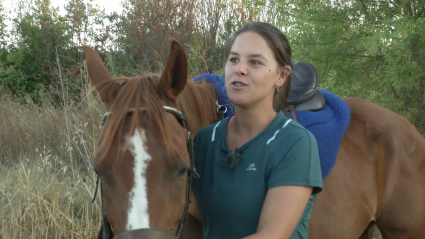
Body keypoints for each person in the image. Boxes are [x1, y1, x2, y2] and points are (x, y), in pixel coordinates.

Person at [189, 22, 323, 239]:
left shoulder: (296, 142)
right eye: (234, 59)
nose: (239, 69)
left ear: (281, 76)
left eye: (255, 62)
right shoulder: (205, 139)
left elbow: (270, 235)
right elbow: (193, 218)